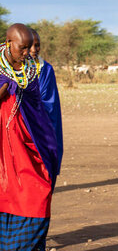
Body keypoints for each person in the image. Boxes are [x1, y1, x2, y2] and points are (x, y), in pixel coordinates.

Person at [0, 24, 59, 250]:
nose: (27, 53)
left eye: (29, 48)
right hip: (4, 151)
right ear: (8, 44)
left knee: (38, 193)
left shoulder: (32, 70)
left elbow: (38, 110)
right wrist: (5, 87)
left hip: (29, 144)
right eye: (22, 48)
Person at [29, 28, 63, 174]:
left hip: (39, 127)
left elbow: (49, 102)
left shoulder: (45, 69)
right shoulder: (7, 70)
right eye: (29, 45)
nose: (34, 49)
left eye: (37, 45)